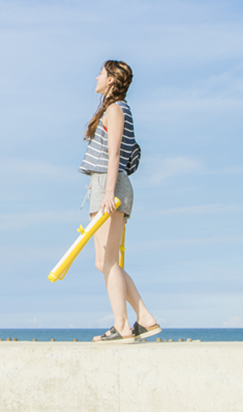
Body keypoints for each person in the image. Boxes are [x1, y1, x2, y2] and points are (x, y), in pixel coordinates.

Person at [80, 60, 160, 344]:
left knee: (109, 261)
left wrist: (107, 195)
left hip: (109, 184)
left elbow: (114, 155)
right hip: (107, 185)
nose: (97, 77)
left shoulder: (115, 109)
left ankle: (123, 325)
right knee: (104, 261)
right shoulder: (116, 108)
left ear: (112, 80)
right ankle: (145, 317)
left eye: (101, 73)